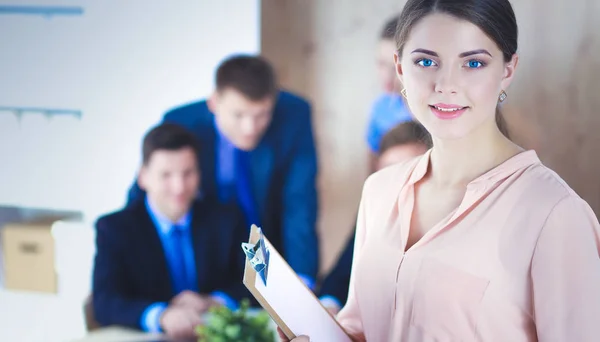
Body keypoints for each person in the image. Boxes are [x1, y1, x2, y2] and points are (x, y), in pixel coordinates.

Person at [281, 0, 600, 341]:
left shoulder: (554, 214)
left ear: (508, 70)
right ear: (400, 68)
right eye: (426, 61)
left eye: (473, 63)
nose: (446, 84)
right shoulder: (379, 190)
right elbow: (362, 328)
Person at [128, 55, 320, 287]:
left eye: (261, 115)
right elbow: (149, 189)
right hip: (207, 258)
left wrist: (303, 281)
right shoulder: (180, 121)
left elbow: (299, 203)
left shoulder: (294, 116)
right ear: (214, 102)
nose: (250, 129)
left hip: (269, 248)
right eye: (238, 115)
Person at [93, 123, 248, 338]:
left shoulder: (226, 220)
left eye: (188, 173)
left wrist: (213, 301)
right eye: (166, 175)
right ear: (143, 177)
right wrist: (160, 315)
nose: (179, 187)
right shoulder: (115, 228)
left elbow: (252, 283)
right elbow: (104, 301)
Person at [318, 121, 430, 314]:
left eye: (410, 170)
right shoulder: (375, 210)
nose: (399, 183)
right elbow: (341, 275)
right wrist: (328, 306)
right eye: (388, 172)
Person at [366, 15, 415, 170]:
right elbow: (372, 170)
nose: (387, 75)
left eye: (394, 67)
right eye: (381, 64)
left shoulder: (434, 108)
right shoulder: (380, 109)